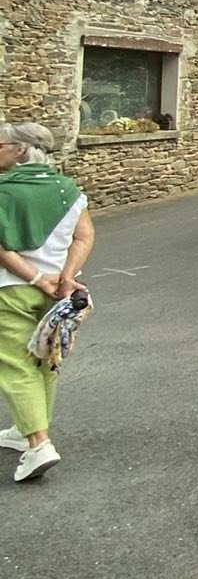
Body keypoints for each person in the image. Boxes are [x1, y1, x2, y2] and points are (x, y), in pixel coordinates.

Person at [0, 122, 94, 483]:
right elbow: (84, 236)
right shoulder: (68, 189)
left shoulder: (4, 190)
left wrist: (34, 277)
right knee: (45, 358)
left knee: (14, 364)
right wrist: (66, 278)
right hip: (58, 293)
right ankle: (25, 428)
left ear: (20, 150)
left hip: (10, 289)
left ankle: (38, 444)